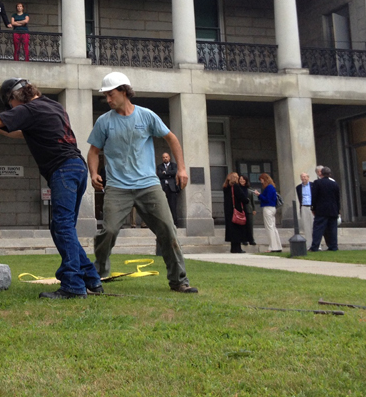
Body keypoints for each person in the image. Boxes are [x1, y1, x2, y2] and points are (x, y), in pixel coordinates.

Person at [0, 78, 102, 299]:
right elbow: (21, 132)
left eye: (10, 106)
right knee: (63, 227)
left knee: (62, 227)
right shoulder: (52, 106)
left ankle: (73, 285)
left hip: (63, 170)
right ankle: (92, 279)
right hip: (76, 168)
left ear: (15, 98)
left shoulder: (30, 109)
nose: (11, 110)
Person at [87, 72, 198, 293]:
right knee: (108, 231)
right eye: (106, 96)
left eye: (111, 94)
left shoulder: (146, 116)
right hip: (117, 187)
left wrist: (182, 168)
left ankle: (178, 281)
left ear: (124, 91)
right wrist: (93, 173)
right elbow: (93, 151)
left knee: (168, 229)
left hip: (148, 185)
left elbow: (172, 138)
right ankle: (96, 277)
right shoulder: (104, 122)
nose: (108, 100)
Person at [310, 166, 341, 251]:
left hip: (321, 209)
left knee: (318, 228)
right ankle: (333, 246)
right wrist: (338, 210)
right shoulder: (334, 184)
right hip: (333, 209)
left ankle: (315, 246)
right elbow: (337, 198)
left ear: (321, 174)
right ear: (329, 174)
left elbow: (314, 197)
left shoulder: (317, 183)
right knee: (333, 229)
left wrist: (313, 208)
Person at [252, 173, 282, 252]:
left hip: (268, 208)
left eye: (261, 180)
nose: (261, 182)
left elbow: (266, 199)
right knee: (273, 228)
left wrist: (259, 195)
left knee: (269, 228)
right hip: (272, 208)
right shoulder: (272, 187)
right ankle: (278, 246)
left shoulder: (268, 187)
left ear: (264, 179)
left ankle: (272, 247)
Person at [223, 172, 249, 253]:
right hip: (236, 210)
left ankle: (233, 248)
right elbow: (243, 198)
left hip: (228, 211)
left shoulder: (225, 187)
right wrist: (247, 200)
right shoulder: (236, 187)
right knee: (237, 229)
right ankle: (237, 248)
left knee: (231, 230)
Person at [156, 152, 179, 227]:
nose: (165, 158)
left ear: (169, 157)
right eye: (163, 157)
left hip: (172, 189)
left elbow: (174, 172)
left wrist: (165, 173)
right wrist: (168, 174)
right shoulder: (159, 166)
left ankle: (174, 223)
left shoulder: (174, 165)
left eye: (166, 157)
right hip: (163, 188)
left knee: (173, 206)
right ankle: (164, 224)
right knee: (163, 206)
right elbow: (159, 175)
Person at [295, 172, 314, 246]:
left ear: (308, 177)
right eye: (302, 177)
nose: (303, 179)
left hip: (312, 207)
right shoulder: (298, 187)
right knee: (306, 227)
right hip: (303, 206)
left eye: (305, 177)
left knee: (314, 226)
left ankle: (316, 245)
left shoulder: (313, 185)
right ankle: (309, 245)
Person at [238, 174, 257, 246]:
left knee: (250, 225)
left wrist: (254, 209)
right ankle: (244, 239)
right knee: (243, 225)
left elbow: (252, 200)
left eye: (243, 179)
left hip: (249, 209)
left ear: (246, 180)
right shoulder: (238, 189)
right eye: (240, 179)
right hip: (240, 209)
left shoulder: (249, 189)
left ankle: (251, 239)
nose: (241, 180)